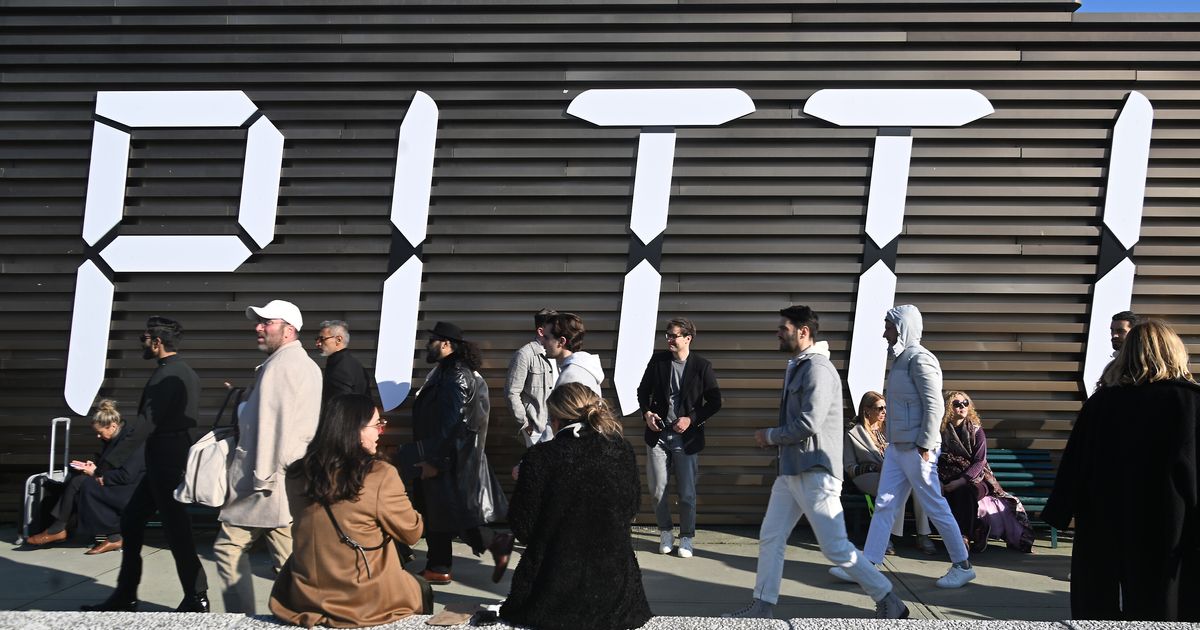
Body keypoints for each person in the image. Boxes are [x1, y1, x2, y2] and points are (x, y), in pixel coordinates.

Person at [727, 305, 908, 619]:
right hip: (792, 471)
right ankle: (763, 605)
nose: (778, 333)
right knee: (771, 536)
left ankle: (889, 600)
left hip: (815, 472)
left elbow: (809, 422)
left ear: (803, 331)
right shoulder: (798, 365)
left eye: (783, 328)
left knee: (835, 546)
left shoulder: (817, 369)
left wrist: (770, 436)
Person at [1043, 319, 1200, 621]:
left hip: (1105, 521)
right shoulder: (1191, 402)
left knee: (1100, 606)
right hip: (1170, 522)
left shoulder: (1101, 404)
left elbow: (1075, 465)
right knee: (1165, 607)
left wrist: (1060, 512)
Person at [499, 383, 653, 630]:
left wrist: (526, 481)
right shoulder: (621, 450)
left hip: (550, 594)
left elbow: (523, 528)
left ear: (556, 418)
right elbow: (631, 507)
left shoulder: (541, 457)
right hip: (617, 597)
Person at [82, 316, 209, 613]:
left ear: (157, 342)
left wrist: (108, 463)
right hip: (170, 459)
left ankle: (196, 596)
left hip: (165, 462)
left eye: (144, 339)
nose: (143, 343)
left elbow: (144, 425)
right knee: (133, 520)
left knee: (177, 530)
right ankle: (126, 595)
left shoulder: (165, 376)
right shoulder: (186, 372)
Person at [270, 394, 428, 627]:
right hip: (363, 598)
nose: (380, 432)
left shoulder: (296, 473)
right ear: (354, 429)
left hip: (304, 595)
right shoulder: (379, 475)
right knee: (421, 588)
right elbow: (412, 533)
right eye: (376, 425)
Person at [855, 304, 975, 589]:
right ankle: (869, 564)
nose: (885, 333)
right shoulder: (900, 360)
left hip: (917, 448)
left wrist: (924, 443)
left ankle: (963, 565)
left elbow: (934, 404)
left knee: (934, 505)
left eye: (889, 327)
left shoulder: (920, 360)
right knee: (885, 505)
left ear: (902, 328)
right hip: (899, 447)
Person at [216, 299, 323, 614]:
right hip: (284, 478)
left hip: (267, 480)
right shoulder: (300, 364)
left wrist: (261, 478)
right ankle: (311, 615)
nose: (258, 327)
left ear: (288, 330)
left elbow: (274, 428)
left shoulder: (282, 367)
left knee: (229, 548)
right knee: (289, 562)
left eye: (267, 322)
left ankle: (242, 620)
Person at [397, 321, 510, 586]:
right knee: (439, 511)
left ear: (446, 344)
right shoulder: (446, 371)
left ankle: (493, 542)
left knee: (449, 511)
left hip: (444, 457)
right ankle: (439, 566)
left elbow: (453, 423)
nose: (428, 345)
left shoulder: (455, 375)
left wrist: (435, 461)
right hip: (443, 454)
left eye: (433, 340)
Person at [636, 317, 722, 558]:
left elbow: (715, 402)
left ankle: (686, 537)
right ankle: (665, 531)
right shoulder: (658, 361)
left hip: (687, 438)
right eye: (667, 335)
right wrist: (647, 414)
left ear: (688, 338)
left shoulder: (702, 366)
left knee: (686, 492)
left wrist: (691, 418)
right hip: (658, 435)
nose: (669, 340)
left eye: (674, 335)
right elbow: (642, 391)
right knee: (657, 490)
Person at [25, 399, 144, 555]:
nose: (98, 436)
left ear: (113, 426)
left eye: (100, 432)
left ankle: (59, 528)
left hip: (132, 491)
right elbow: (111, 465)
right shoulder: (116, 438)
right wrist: (94, 467)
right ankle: (111, 536)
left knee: (81, 483)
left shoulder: (131, 441)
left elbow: (127, 475)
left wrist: (96, 473)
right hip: (120, 486)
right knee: (78, 481)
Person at [937, 391, 1034, 553]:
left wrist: (960, 481)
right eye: (957, 404)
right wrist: (939, 481)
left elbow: (979, 461)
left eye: (965, 403)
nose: (962, 407)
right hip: (944, 476)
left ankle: (964, 536)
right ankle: (978, 528)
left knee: (965, 492)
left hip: (976, 479)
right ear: (947, 407)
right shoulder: (940, 431)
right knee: (943, 494)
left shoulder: (976, 430)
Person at [843, 391, 933, 556]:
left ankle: (923, 535)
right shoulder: (853, 433)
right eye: (880, 408)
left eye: (886, 408)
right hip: (868, 476)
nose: (884, 411)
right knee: (897, 486)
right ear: (867, 410)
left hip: (894, 473)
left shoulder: (891, 429)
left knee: (917, 486)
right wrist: (873, 467)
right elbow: (849, 467)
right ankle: (885, 537)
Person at [505, 308, 559, 447]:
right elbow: (512, 392)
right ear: (541, 331)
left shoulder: (559, 353)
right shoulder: (524, 355)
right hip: (537, 428)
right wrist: (525, 424)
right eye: (555, 328)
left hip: (557, 426)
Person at [541, 312, 605, 395]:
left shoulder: (571, 376)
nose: (542, 342)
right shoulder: (584, 368)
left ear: (561, 341)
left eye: (546, 337)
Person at [315, 319, 370, 404]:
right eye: (317, 339)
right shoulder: (351, 362)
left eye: (322, 339)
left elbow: (341, 406)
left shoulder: (341, 367)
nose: (318, 343)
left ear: (338, 340)